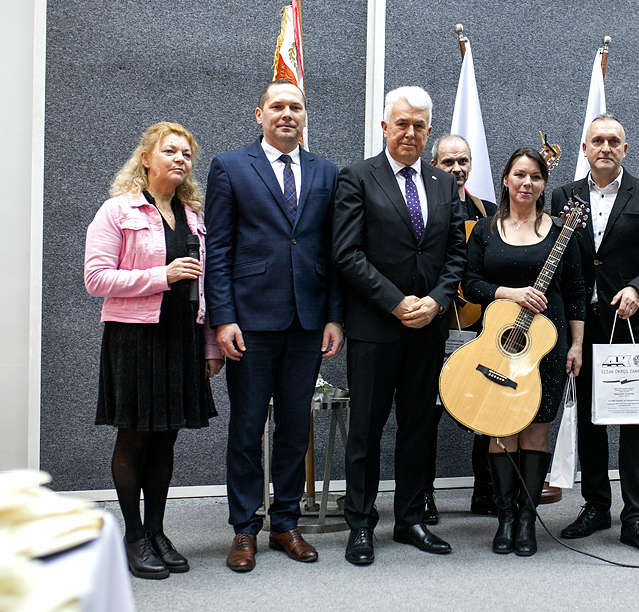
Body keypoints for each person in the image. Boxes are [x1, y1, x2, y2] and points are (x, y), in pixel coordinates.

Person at [205, 80, 344, 573]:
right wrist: (222, 319)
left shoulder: (326, 172)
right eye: (278, 107)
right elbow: (217, 250)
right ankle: (245, 528)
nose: (288, 114)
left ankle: (286, 522)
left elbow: (332, 253)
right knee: (246, 428)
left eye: (297, 107)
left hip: (307, 322)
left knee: (293, 430)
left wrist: (333, 316)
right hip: (250, 322)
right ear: (258, 114)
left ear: (306, 116)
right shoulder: (229, 167)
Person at [333, 86, 466, 566]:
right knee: (365, 431)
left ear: (429, 132)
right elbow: (346, 253)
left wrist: (435, 301)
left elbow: (456, 255)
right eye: (402, 124)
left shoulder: (444, 184)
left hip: (428, 329)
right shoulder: (356, 178)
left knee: (418, 429)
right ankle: (361, 524)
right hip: (375, 328)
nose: (410, 132)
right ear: (384, 126)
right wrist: (395, 302)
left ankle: (409, 518)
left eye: (419, 125)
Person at [84, 122, 223, 579]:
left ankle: (159, 531)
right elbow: (96, 279)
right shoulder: (117, 210)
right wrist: (161, 276)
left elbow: (202, 288)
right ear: (146, 158)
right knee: (135, 436)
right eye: (170, 151)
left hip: (182, 337)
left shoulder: (194, 216)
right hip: (135, 339)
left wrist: (207, 344)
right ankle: (134, 534)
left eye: (187, 153)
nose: (180, 159)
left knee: (167, 436)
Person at [551, 113, 639, 560]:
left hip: (631, 325)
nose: (605, 147)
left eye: (614, 141)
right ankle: (596, 506)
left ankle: (636, 518)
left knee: (636, 422)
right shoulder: (564, 196)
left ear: (625, 149)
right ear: (585, 149)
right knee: (590, 419)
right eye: (597, 140)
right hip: (581, 327)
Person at [463, 147, 586, 557]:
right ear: (505, 179)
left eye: (535, 176)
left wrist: (578, 344)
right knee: (501, 428)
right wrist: (511, 293)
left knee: (535, 428)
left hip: (546, 346)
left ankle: (527, 519)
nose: (526, 183)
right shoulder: (485, 229)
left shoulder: (560, 231)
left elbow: (575, 292)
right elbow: (469, 285)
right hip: (497, 344)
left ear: (543, 184)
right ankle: (504, 517)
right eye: (519, 174)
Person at [424, 133, 498, 521]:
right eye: (448, 162)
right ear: (434, 165)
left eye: (463, 161)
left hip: (480, 327)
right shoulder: (424, 206)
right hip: (435, 325)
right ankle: (423, 494)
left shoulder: (488, 211)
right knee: (427, 414)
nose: (456, 169)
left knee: (486, 410)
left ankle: (485, 491)